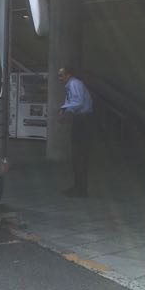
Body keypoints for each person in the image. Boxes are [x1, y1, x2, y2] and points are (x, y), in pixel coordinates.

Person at [58, 66, 93, 197]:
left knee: (80, 154)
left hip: (83, 120)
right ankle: (78, 186)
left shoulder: (74, 84)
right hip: (81, 120)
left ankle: (81, 189)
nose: (59, 78)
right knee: (78, 155)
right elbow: (72, 102)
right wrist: (65, 110)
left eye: (61, 75)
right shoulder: (71, 85)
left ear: (68, 75)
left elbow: (77, 102)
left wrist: (64, 111)